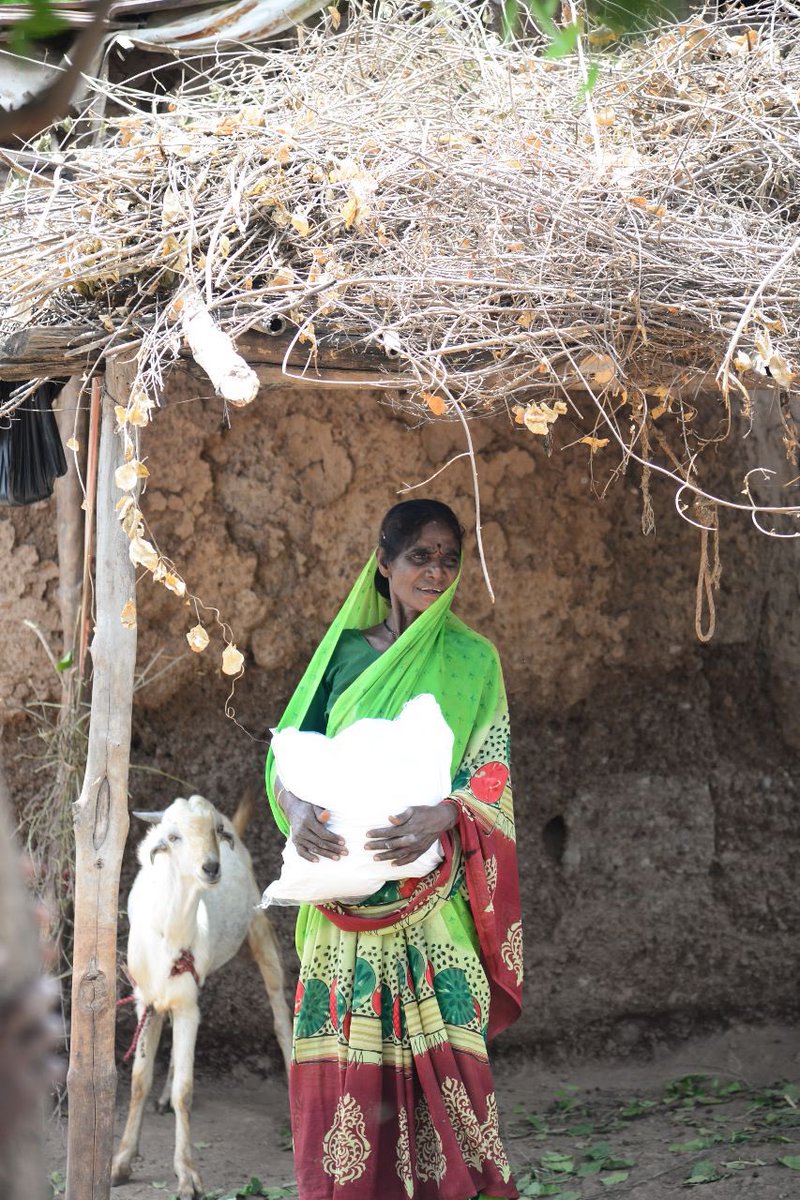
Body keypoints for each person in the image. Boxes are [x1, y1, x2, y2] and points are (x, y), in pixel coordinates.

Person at [266, 499, 522, 1200]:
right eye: (419, 557)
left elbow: (491, 772)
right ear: (384, 567)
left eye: (448, 558)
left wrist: (443, 813)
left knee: (452, 1084)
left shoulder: (474, 660)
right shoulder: (344, 655)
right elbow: (290, 751)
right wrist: (296, 812)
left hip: (433, 907)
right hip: (340, 909)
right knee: (347, 1086)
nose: (435, 573)